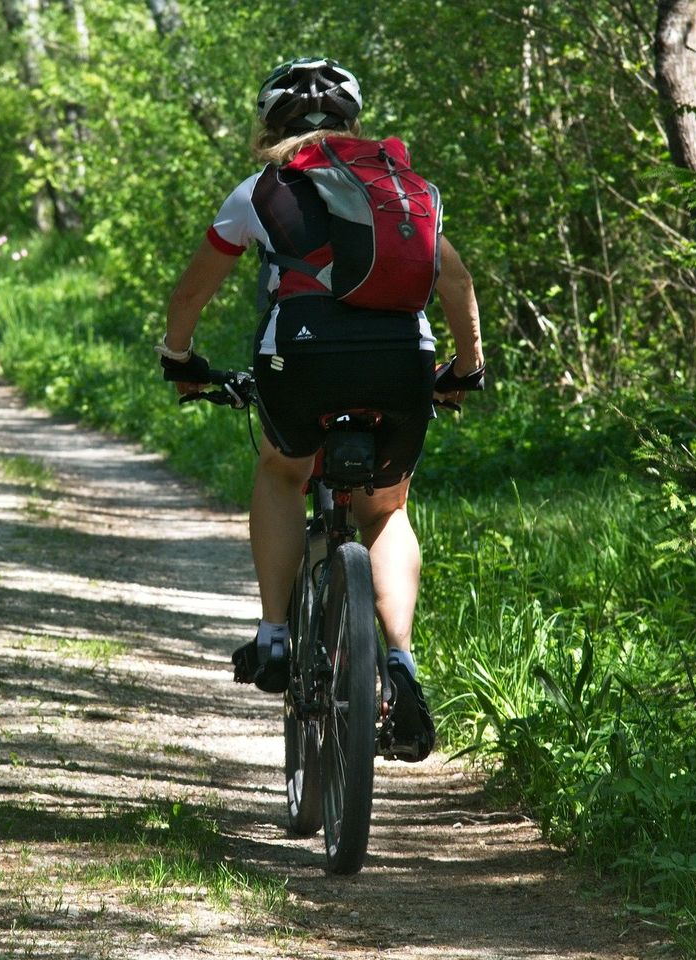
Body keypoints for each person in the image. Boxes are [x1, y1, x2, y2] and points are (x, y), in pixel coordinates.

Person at [158, 57, 484, 761]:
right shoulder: (404, 188)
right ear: (352, 122)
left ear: (269, 126)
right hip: (402, 362)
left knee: (281, 470)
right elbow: (454, 279)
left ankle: (275, 635)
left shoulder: (259, 191)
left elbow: (190, 296)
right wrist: (465, 370)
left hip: (300, 362)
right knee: (386, 510)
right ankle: (400, 662)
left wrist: (179, 361)